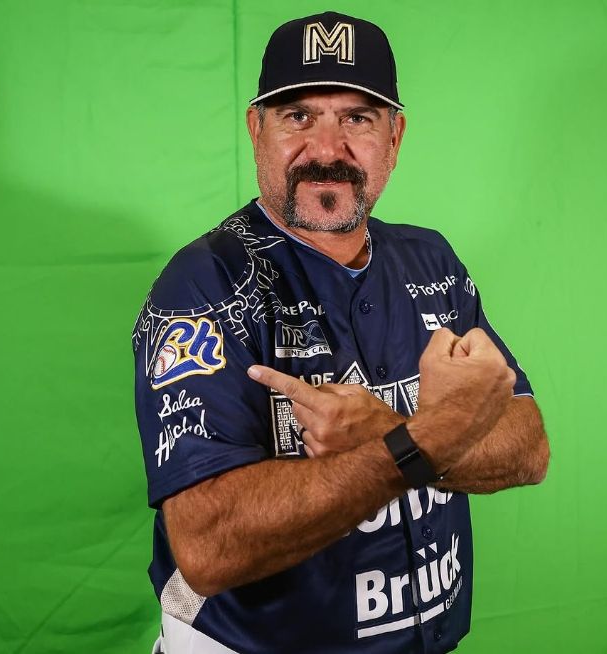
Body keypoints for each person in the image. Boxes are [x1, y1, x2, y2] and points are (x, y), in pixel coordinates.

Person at [132, 11, 549, 654]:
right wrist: (421, 440)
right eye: (298, 116)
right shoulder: (205, 284)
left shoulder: (431, 262)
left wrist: (385, 430)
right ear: (256, 130)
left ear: (395, 136)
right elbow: (209, 544)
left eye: (357, 118)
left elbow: (527, 445)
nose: (327, 150)